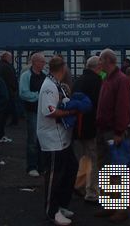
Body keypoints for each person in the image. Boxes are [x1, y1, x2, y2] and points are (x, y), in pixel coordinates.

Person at [36, 56, 79, 226]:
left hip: (62, 137)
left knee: (70, 168)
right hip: (52, 138)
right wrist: (70, 112)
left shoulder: (56, 84)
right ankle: (51, 211)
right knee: (55, 175)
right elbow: (50, 110)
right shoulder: (49, 86)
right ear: (63, 68)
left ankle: (61, 204)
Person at [93, 48, 130, 223]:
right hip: (104, 130)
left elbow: (122, 107)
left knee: (115, 170)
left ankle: (121, 209)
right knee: (105, 169)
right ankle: (110, 205)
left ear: (108, 61)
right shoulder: (107, 78)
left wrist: (118, 131)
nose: (98, 63)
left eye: (100, 60)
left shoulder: (120, 80)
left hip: (112, 131)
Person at [73, 55, 102, 204]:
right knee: (93, 157)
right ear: (97, 67)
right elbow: (100, 105)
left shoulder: (78, 80)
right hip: (91, 125)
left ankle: (80, 184)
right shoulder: (97, 82)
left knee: (84, 156)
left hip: (78, 125)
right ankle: (92, 192)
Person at [19, 52, 47, 177]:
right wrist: (39, 96)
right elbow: (23, 93)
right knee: (33, 139)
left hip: (44, 112)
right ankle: (31, 166)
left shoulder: (45, 75)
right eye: (42, 62)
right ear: (35, 62)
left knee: (43, 139)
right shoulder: (26, 76)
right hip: (32, 111)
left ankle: (42, 166)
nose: (44, 64)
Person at [0, 51, 19, 129]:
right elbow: (13, 79)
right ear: (6, 57)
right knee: (12, 106)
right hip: (9, 90)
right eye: (10, 58)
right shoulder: (9, 67)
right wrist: (15, 88)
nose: (11, 59)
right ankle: (14, 121)